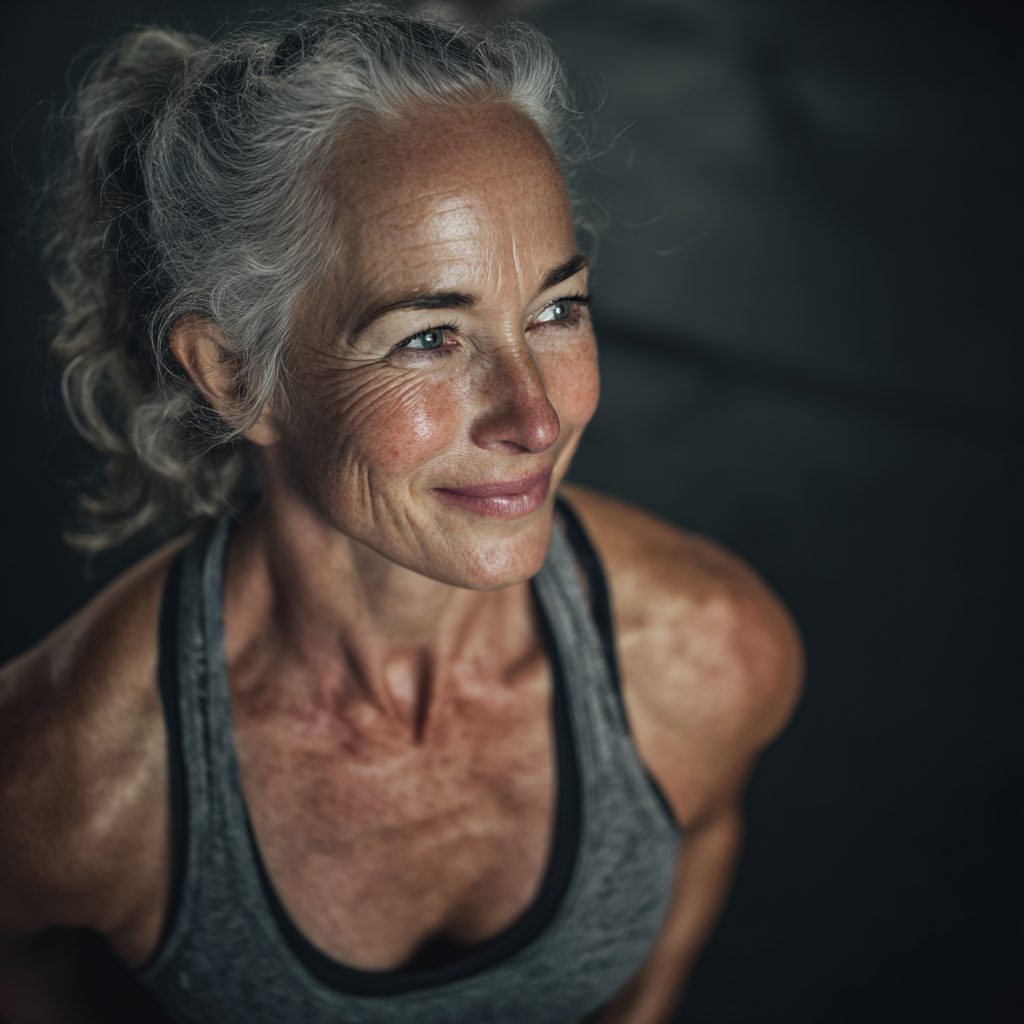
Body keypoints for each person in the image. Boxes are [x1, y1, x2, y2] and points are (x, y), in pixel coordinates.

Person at [0, 5, 802, 1022]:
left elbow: (705, 829)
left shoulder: (706, 653)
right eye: (428, 337)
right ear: (238, 372)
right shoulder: (67, 782)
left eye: (556, 311)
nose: (536, 414)